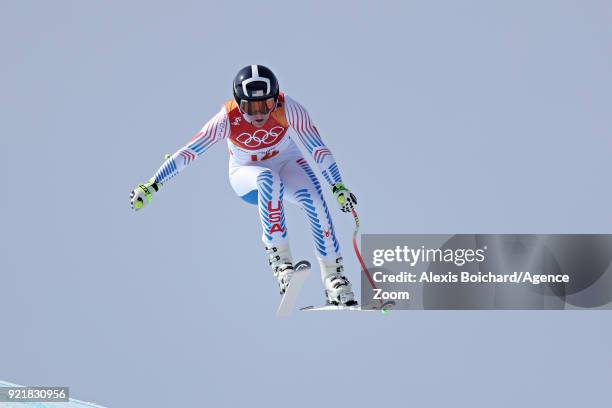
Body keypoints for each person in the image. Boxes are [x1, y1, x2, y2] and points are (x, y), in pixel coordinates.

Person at [130, 65, 358, 306]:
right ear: (239, 103)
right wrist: (152, 185)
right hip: (246, 173)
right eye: (251, 106)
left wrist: (338, 186)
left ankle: (335, 277)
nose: (259, 114)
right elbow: (189, 152)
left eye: (265, 105)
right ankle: (282, 264)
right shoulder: (227, 118)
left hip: (286, 161)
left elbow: (317, 148)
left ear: (276, 99)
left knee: (314, 198)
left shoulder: (289, 108)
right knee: (268, 180)